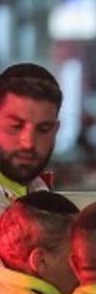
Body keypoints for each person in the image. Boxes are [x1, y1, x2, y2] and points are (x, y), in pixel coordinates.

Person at [0, 63, 62, 208]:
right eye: (15, 126)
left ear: (55, 130)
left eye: (43, 129)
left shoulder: (39, 191)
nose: (28, 143)